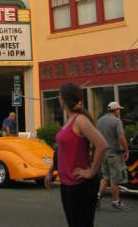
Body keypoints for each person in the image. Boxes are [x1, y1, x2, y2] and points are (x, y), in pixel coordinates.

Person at [44, 83, 107, 227]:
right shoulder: (69, 122)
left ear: (64, 100)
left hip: (80, 185)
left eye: (60, 96)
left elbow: (102, 145)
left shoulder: (80, 120)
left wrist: (91, 172)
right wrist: (51, 171)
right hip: (66, 184)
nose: (59, 99)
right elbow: (61, 151)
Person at [96, 101, 130, 211]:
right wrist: (126, 150)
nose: (119, 111)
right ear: (115, 110)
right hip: (114, 153)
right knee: (115, 179)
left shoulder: (99, 121)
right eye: (119, 109)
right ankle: (116, 202)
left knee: (105, 177)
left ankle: (97, 197)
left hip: (103, 153)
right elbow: (121, 137)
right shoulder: (116, 121)